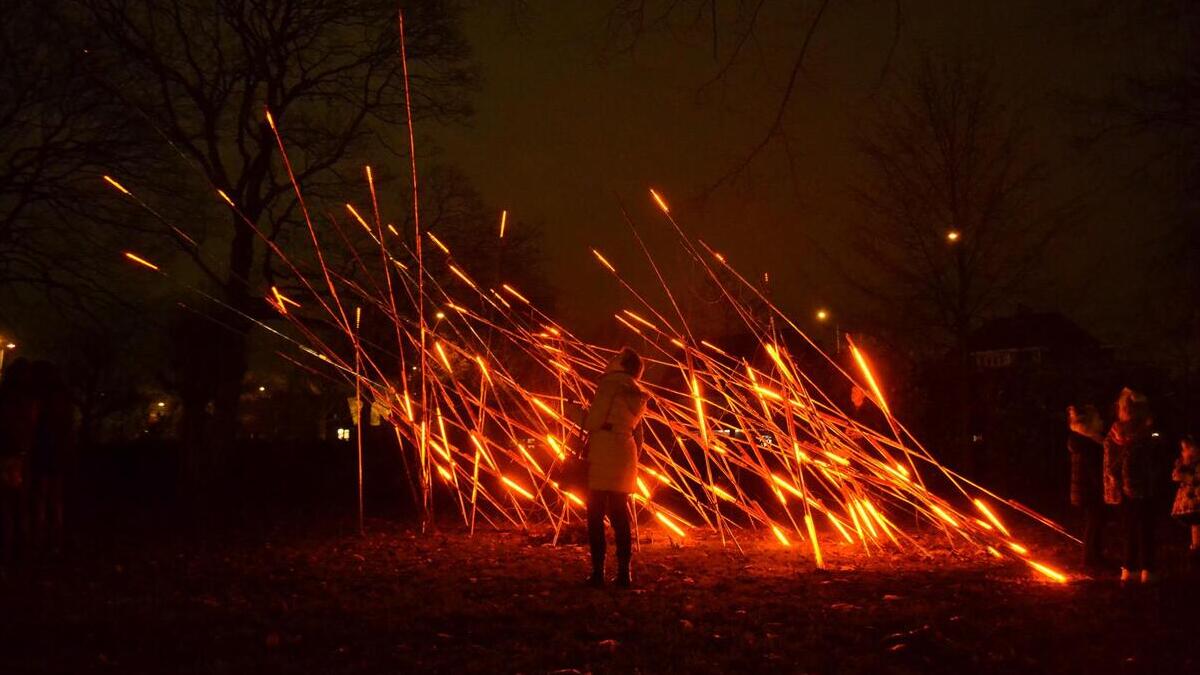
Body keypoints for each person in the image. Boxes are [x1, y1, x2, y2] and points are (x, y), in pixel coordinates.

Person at [582, 347, 648, 588]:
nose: (610, 360)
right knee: (620, 514)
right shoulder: (638, 391)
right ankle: (624, 573)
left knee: (595, 513)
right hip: (625, 450)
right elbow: (638, 432)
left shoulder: (610, 384)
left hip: (603, 449)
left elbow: (593, 421)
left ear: (622, 363)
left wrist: (586, 417)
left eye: (615, 357)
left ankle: (598, 572)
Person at [1103, 388, 1162, 583]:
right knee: (1145, 528)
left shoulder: (1113, 432)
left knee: (1128, 529)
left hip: (1120, 489)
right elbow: (1154, 456)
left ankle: (1129, 568)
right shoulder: (1145, 432)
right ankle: (1148, 569)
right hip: (1141, 486)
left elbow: (1109, 464)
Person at [29, 361, 76, 553]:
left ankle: (40, 538)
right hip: (60, 452)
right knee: (56, 499)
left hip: (44, 451)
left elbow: (34, 426)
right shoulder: (65, 399)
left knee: (41, 497)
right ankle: (55, 537)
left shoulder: (41, 398)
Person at [0, 358, 39, 563]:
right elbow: (32, 428)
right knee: (21, 505)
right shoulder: (30, 400)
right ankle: (22, 549)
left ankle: (7, 548)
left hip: (5, 455)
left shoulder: (4, 397)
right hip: (22, 456)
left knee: (6, 505)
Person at [1068, 404, 1107, 569]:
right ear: (1090, 423)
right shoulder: (1088, 444)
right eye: (1098, 419)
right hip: (1089, 490)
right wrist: (1102, 487)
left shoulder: (1084, 441)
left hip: (1085, 490)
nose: (1101, 421)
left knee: (1095, 523)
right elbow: (1093, 470)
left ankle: (1095, 556)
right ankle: (1089, 560)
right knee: (1094, 523)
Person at [1170, 435, 1200, 570]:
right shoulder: (1183, 463)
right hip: (1189, 503)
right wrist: (1178, 472)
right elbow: (1175, 476)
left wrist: (1187, 477)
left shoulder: (1197, 465)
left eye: (1186, 448)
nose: (1183, 452)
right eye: (1182, 449)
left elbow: (1196, 479)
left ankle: (1196, 550)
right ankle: (1195, 549)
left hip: (1197, 500)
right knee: (1195, 525)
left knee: (1197, 523)